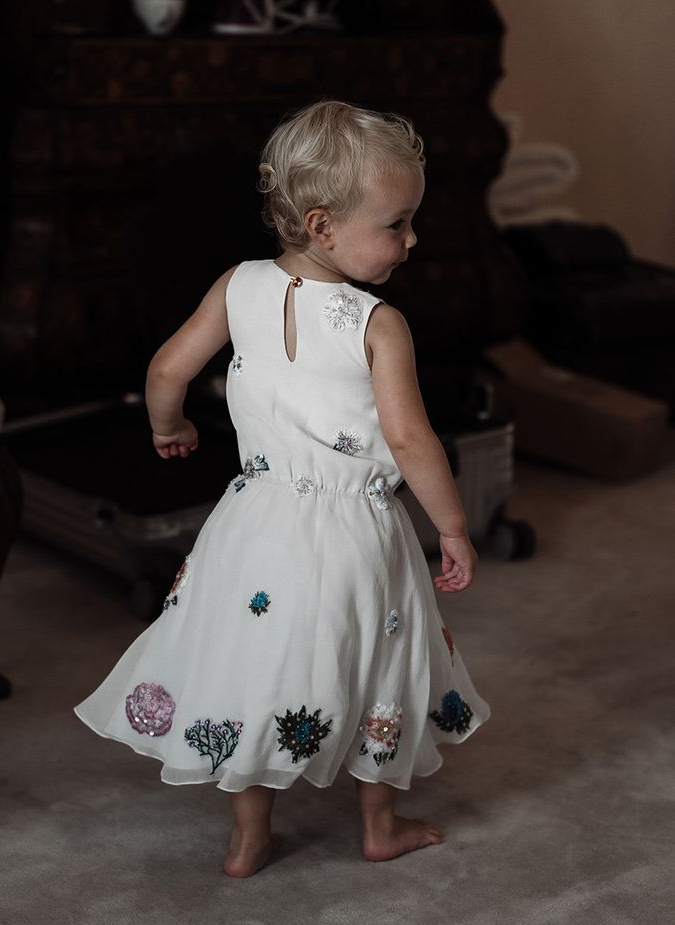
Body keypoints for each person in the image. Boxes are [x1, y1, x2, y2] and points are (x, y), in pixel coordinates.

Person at [74, 100, 490, 878]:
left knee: (255, 667)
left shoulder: (238, 286)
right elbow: (409, 439)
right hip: (355, 533)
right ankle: (379, 825)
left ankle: (248, 838)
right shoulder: (377, 322)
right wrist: (455, 526)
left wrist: (170, 428)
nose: (412, 239)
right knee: (381, 663)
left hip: (254, 522)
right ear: (324, 225)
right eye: (397, 224)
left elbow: (167, 370)